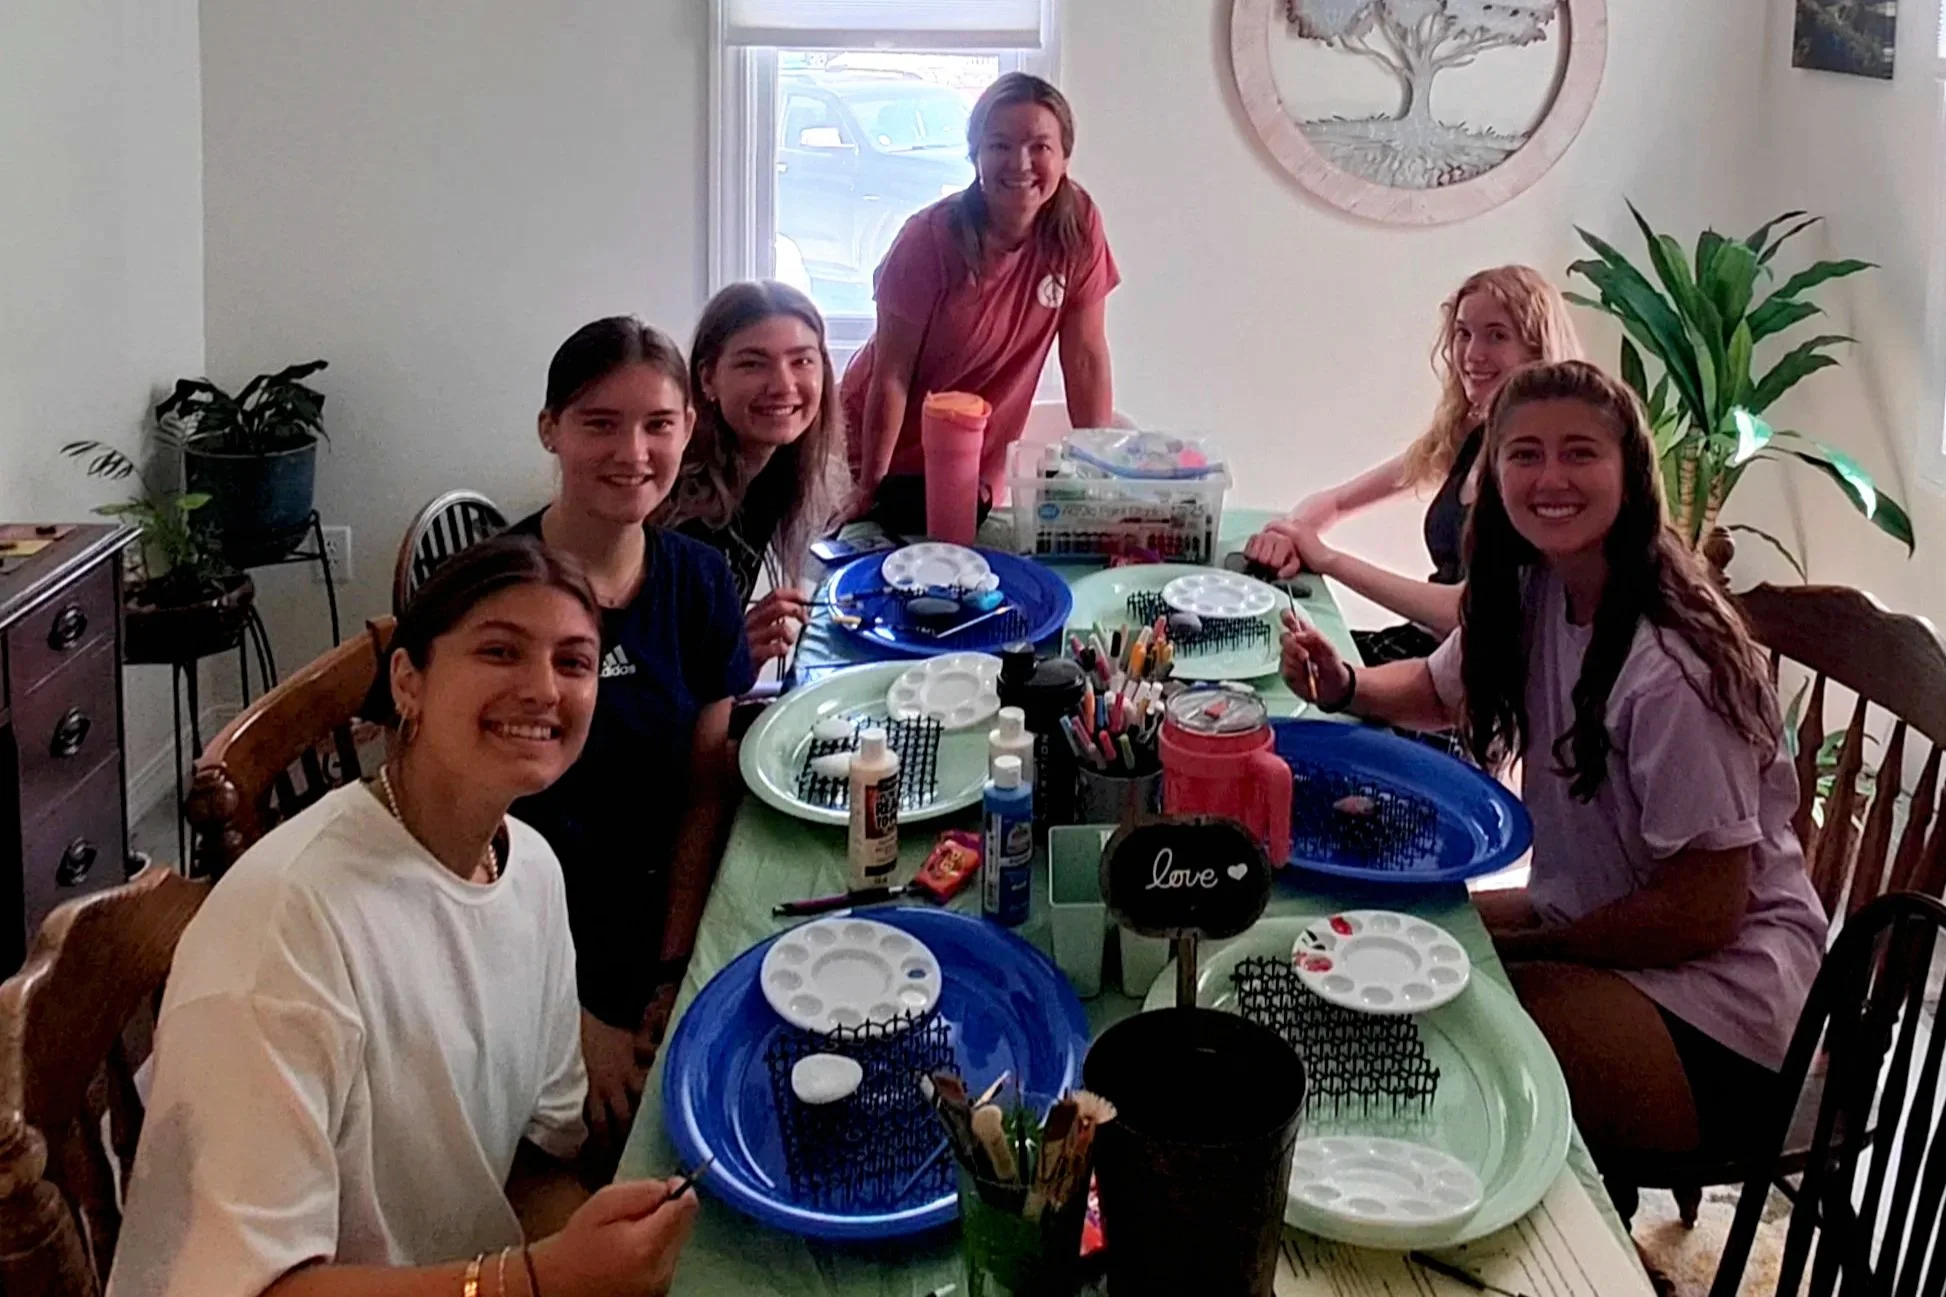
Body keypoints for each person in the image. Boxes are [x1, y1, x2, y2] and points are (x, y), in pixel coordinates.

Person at [1278, 361, 1826, 1183]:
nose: (1551, 477)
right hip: (1607, 921)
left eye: (1580, 453)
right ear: (1492, 473)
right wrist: (1346, 683)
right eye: (1524, 454)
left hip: (1727, 1013)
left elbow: (1704, 912)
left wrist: (1535, 944)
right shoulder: (1532, 587)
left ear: (1630, 472)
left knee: (1438, 1030)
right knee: (1366, 941)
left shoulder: (1672, 667)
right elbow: (1436, 687)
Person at [107, 536, 699, 1297]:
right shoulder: (286, 923)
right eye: (499, 651)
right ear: (408, 682)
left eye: (575, 661)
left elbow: (530, 1157)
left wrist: (593, 1260)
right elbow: (252, 1286)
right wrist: (539, 1279)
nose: (543, 688)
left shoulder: (531, 868)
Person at [509, 318, 755, 1152]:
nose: (633, 451)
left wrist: (672, 968)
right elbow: (456, 845)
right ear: (550, 429)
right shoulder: (497, 598)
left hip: (657, 923)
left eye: (658, 423)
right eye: (599, 422)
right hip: (531, 956)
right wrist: (567, 1017)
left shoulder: (699, 579)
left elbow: (703, 790)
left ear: (690, 426)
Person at [1247, 266, 1581, 664]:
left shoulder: (1537, 478)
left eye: (1497, 335)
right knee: (1269, 654)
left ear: (1538, 351)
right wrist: (1289, 533)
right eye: (1463, 333)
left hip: (1469, 684)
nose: (1473, 354)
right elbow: (1336, 502)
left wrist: (1329, 561)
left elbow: (1466, 612)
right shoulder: (1472, 434)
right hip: (1427, 652)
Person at [840, 71, 1119, 526]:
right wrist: (870, 486)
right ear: (976, 155)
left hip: (971, 464)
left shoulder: (1078, 226)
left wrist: (1101, 474)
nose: (1020, 163)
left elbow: (1085, 357)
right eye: (999, 145)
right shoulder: (928, 239)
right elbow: (890, 375)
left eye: (1039, 146)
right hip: (877, 453)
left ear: (1065, 155)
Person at [654, 280, 846, 666]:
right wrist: (726, 655)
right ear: (708, 379)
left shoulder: (775, 471)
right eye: (752, 363)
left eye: (802, 360)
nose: (783, 385)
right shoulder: (674, 509)